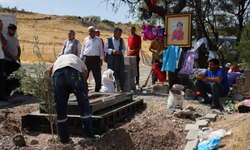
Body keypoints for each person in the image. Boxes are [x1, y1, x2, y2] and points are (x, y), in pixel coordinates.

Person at [46, 54, 95, 143]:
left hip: (57, 75)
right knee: (83, 104)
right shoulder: (79, 62)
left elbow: (48, 72)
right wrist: (82, 89)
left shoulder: (58, 61)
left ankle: (64, 139)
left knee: (60, 108)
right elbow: (84, 74)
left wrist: (49, 87)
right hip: (73, 72)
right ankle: (88, 135)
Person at [80, 26, 104, 92]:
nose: (89, 33)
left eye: (91, 31)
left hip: (95, 59)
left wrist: (101, 59)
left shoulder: (98, 40)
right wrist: (81, 58)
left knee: (97, 75)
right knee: (85, 75)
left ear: (94, 32)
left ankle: (97, 90)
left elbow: (101, 50)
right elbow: (83, 49)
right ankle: (84, 89)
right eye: (89, 31)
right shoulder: (86, 39)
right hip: (86, 58)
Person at [104, 27, 125, 92]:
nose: (120, 35)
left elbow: (124, 48)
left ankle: (122, 88)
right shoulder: (109, 39)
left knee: (121, 74)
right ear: (115, 33)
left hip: (119, 58)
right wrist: (111, 51)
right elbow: (105, 49)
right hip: (111, 59)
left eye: (121, 34)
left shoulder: (121, 40)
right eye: (119, 33)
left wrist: (121, 51)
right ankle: (112, 89)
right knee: (112, 74)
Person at [2, 24, 21, 96]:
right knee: (9, 77)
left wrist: (18, 56)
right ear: (8, 29)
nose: (14, 32)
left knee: (18, 76)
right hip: (8, 61)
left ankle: (19, 90)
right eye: (12, 31)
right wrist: (11, 57)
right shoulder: (5, 37)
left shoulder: (15, 38)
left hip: (16, 60)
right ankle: (9, 92)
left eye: (15, 31)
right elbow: (4, 49)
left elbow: (18, 48)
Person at [0, 19, 8, 101]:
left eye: (2, 25)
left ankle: (0, 95)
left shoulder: (1, 35)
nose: (1, 26)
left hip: (1, 58)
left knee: (1, 77)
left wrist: (0, 33)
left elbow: (5, 43)